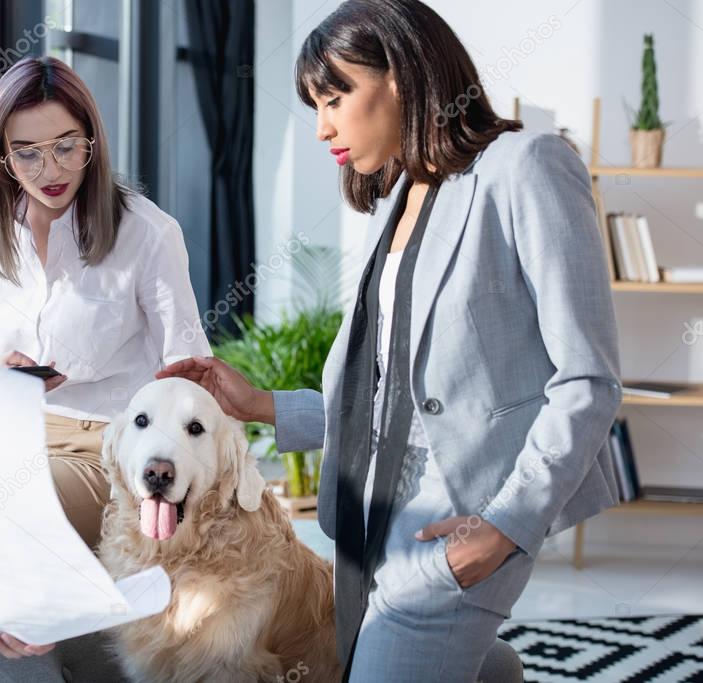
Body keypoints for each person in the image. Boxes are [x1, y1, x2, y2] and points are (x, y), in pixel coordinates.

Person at [158, 1, 622, 680]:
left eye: (333, 97)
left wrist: (503, 528)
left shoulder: (526, 165)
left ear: (399, 76)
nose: (321, 128)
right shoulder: (398, 196)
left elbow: (587, 380)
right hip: (370, 515)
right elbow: (392, 398)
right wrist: (257, 403)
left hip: (462, 515)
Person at [0, 56, 209, 669]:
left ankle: (43, 614)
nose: (50, 170)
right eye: (25, 153)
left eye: (65, 147)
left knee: (7, 522)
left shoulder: (147, 233)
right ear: (0, 155)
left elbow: (189, 374)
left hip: (103, 446)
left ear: (92, 140)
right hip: (5, 432)